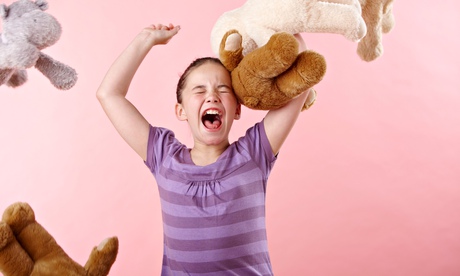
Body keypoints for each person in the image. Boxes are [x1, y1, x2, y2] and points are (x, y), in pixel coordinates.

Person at [96, 23, 311, 275]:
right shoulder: (163, 157)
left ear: (238, 109)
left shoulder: (254, 154)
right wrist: (146, 39)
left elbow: (303, 77)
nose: (212, 97)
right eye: (199, 90)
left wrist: (266, 23)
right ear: (181, 110)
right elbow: (108, 94)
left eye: (223, 89)